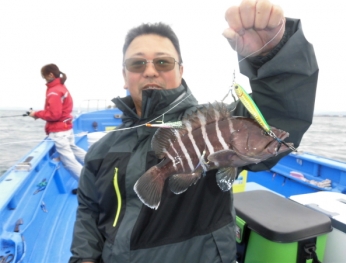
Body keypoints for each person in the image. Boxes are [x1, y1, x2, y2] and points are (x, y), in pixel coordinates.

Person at [70, 0, 318, 262]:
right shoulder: (101, 150)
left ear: (181, 69)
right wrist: (84, 258)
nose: (150, 70)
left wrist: (273, 55)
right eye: (137, 64)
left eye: (163, 62)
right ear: (124, 74)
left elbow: (279, 113)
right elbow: (88, 211)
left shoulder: (223, 122)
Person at [29, 64, 86, 190]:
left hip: (59, 131)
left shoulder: (54, 91)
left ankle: (89, 187)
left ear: (50, 74)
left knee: (68, 161)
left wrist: (36, 114)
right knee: (73, 148)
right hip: (67, 128)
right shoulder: (61, 87)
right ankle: (98, 166)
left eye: (44, 77)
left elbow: (54, 115)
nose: (44, 80)